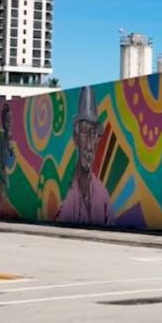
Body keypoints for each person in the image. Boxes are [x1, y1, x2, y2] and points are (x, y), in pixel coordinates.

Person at [56, 87, 113, 225]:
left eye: (93, 133)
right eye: (84, 132)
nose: (89, 143)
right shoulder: (66, 194)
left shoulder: (102, 194)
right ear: (75, 137)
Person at [0, 102, 16, 217]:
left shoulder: (7, 134)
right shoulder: (3, 133)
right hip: (3, 163)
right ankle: (1, 204)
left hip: (6, 163)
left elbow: (8, 147)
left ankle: (2, 204)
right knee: (3, 181)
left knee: (4, 182)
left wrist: (11, 150)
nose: (9, 123)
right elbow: (2, 146)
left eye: (10, 120)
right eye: (7, 120)